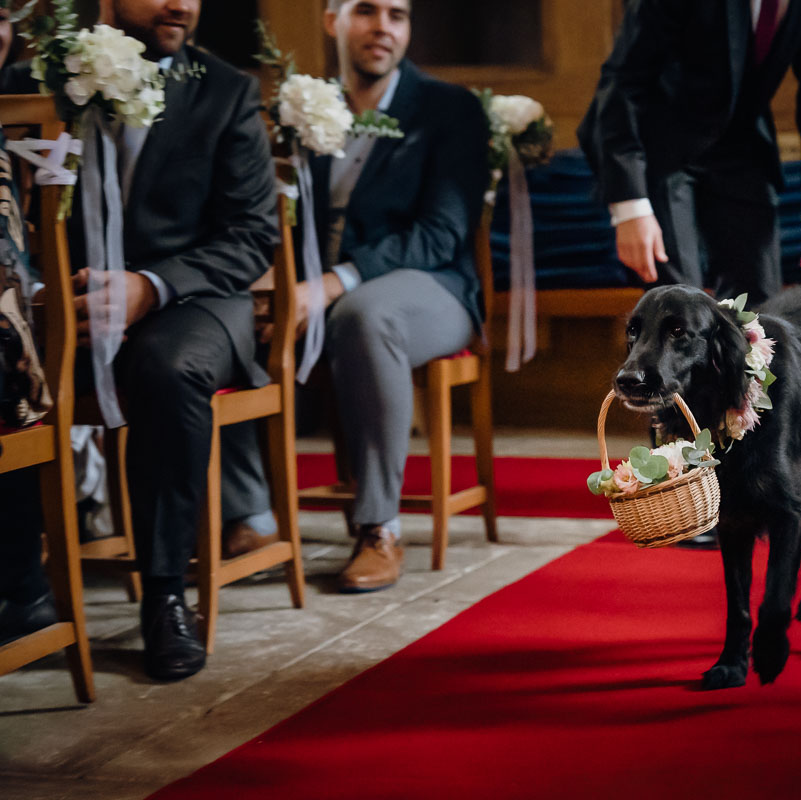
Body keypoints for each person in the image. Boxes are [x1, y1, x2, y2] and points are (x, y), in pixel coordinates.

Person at [0, 0, 279, 679]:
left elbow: (252, 234)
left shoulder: (225, 91)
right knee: (10, 355)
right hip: (62, 293)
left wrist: (147, 287)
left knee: (166, 367)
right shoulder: (38, 79)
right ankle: (23, 585)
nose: (181, 3)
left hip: (194, 298)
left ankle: (163, 597)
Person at [224, 0, 490, 593]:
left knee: (367, 316)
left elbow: (441, 233)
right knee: (221, 316)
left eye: (397, 15)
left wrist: (331, 283)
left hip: (434, 290)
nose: (383, 28)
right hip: (313, 289)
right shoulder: (301, 108)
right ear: (331, 20)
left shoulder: (450, 110)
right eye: (366, 11)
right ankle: (250, 514)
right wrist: (273, 285)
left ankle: (379, 526)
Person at [576, 0, 801, 306]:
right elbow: (623, 83)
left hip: (743, 142)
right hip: (660, 143)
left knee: (758, 306)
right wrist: (630, 207)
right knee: (679, 308)